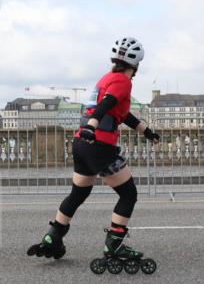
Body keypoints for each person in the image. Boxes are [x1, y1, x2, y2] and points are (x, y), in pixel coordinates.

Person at [27, 37, 160, 263]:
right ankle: (114, 247)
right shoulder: (122, 81)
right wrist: (92, 126)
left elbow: (121, 113)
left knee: (79, 193)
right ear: (136, 64)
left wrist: (145, 130)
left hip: (81, 144)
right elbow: (105, 106)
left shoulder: (107, 78)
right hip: (98, 145)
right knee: (128, 194)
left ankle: (54, 237)